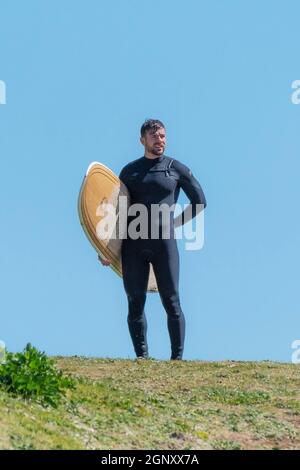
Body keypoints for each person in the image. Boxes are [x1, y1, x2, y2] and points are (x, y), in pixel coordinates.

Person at [98, 119, 207, 360]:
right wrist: (107, 248)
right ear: (142, 140)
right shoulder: (129, 172)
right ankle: (142, 357)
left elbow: (200, 201)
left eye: (163, 136)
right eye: (154, 136)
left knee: (171, 299)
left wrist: (176, 223)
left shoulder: (175, 168)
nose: (160, 140)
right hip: (134, 244)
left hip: (163, 242)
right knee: (135, 300)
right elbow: (118, 213)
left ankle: (177, 359)